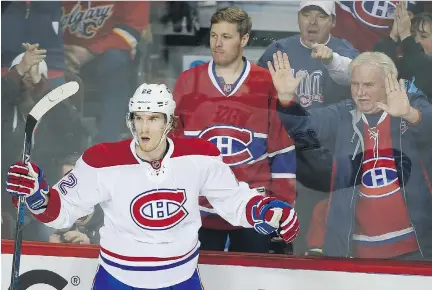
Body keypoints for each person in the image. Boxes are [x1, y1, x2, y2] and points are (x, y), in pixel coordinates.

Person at [7, 83, 300, 289]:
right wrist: (36, 194)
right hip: (117, 280)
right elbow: (62, 210)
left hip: (180, 279)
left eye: (154, 119)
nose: (144, 128)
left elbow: (234, 201)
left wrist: (266, 211)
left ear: (169, 122)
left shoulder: (199, 156)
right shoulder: (102, 160)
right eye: (139, 118)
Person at [270, 50, 432, 260]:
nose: (360, 92)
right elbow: (304, 128)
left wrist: (410, 114)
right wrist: (286, 100)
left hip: (415, 248)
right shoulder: (343, 114)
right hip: (356, 251)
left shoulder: (409, 104)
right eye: (355, 84)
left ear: (388, 84)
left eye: (368, 85)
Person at [173, 7, 296, 254]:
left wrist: (281, 207)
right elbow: (172, 147)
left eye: (226, 37)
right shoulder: (189, 82)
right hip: (200, 211)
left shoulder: (266, 83)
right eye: (213, 36)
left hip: (253, 208)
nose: (217, 44)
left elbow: (282, 151)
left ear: (244, 39)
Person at [257, 0, 359, 254]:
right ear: (298, 18)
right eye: (307, 15)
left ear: (333, 22)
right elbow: (256, 99)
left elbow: (361, 83)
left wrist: (333, 60)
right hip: (284, 154)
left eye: (321, 16)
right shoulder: (278, 50)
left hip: (326, 157)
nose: (312, 22)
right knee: (283, 231)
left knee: (321, 237)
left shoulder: (346, 51)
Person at [373, 3, 432, 98]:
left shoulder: (423, 64)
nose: (416, 40)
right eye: (412, 35)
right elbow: (376, 68)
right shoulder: (402, 63)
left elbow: (424, 66)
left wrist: (406, 35)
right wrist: (393, 36)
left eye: (423, 36)